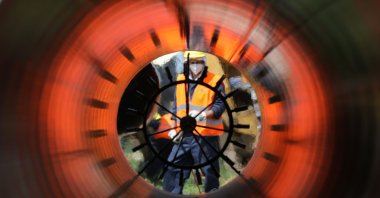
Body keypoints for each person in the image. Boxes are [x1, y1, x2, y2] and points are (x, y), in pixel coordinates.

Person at [162, 51, 226, 194]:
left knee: (209, 171)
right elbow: (175, 108)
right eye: (192, 62)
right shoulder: (180, 80)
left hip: (205, 135)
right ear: (187, 64)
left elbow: (220, 106)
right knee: (172, 167)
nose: (195, 65)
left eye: (199, 62)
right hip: (183, 135)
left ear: (204, 62)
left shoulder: (215, 81)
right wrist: (173, 130)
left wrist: (203, 115)